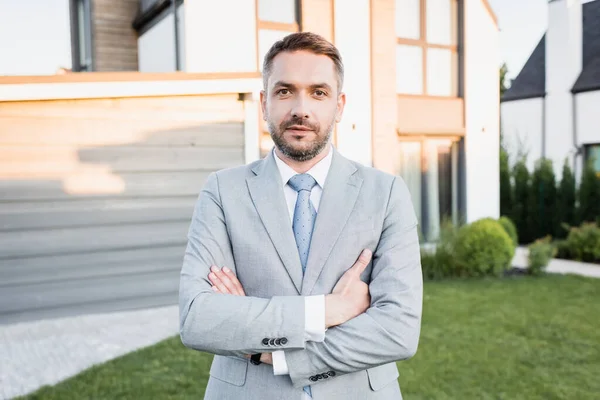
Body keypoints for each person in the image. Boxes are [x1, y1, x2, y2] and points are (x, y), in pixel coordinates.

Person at [178, 31, 423, 400]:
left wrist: (272, 354)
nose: (301, 109)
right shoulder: (222, 191)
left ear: (339, 105)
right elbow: (198, 319)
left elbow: (398, 329)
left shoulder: (386, 193)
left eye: (318, 92)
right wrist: (328, 310)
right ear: (264, 103)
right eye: (284, 91)